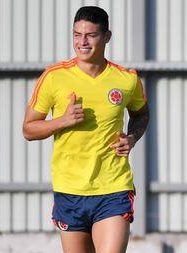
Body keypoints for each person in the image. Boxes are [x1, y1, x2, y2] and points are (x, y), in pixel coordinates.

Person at [23, 6, 149, 253]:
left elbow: (141, 113)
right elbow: (29, 129)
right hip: (70, 190)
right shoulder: (53, 77)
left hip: (113, 188)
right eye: (77, 34)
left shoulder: (126, 79)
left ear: (107, 37)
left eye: (90, 35)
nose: (82, 42)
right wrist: (61, 121)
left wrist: (132, 137)